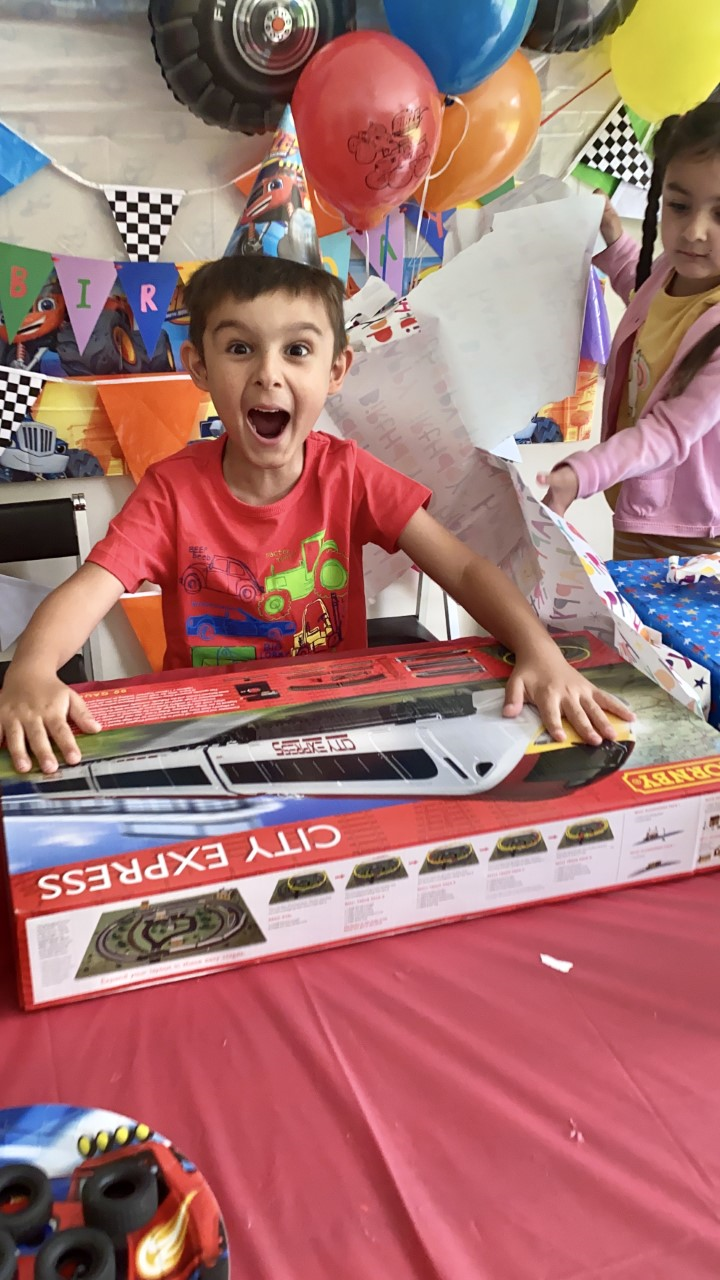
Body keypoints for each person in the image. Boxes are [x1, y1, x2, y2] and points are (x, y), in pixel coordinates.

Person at [0, 255, 631, 775]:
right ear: (199, 367)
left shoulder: (349, 473)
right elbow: (90, 589)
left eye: (297, 350)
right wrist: (30, 670)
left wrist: (539, 651)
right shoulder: (171, 491)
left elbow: (464, 569)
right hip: (207, 731)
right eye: (240, 348)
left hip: (335, 724)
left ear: (335, 371)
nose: (268, 375)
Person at [539, 100, 720, 560]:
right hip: (639, 504)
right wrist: (614, 237)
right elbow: (644, 297)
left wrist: (584, 472)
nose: (694, 231)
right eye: (679, 206)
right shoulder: (671, 271)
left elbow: (669, 432)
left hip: (698, 531)